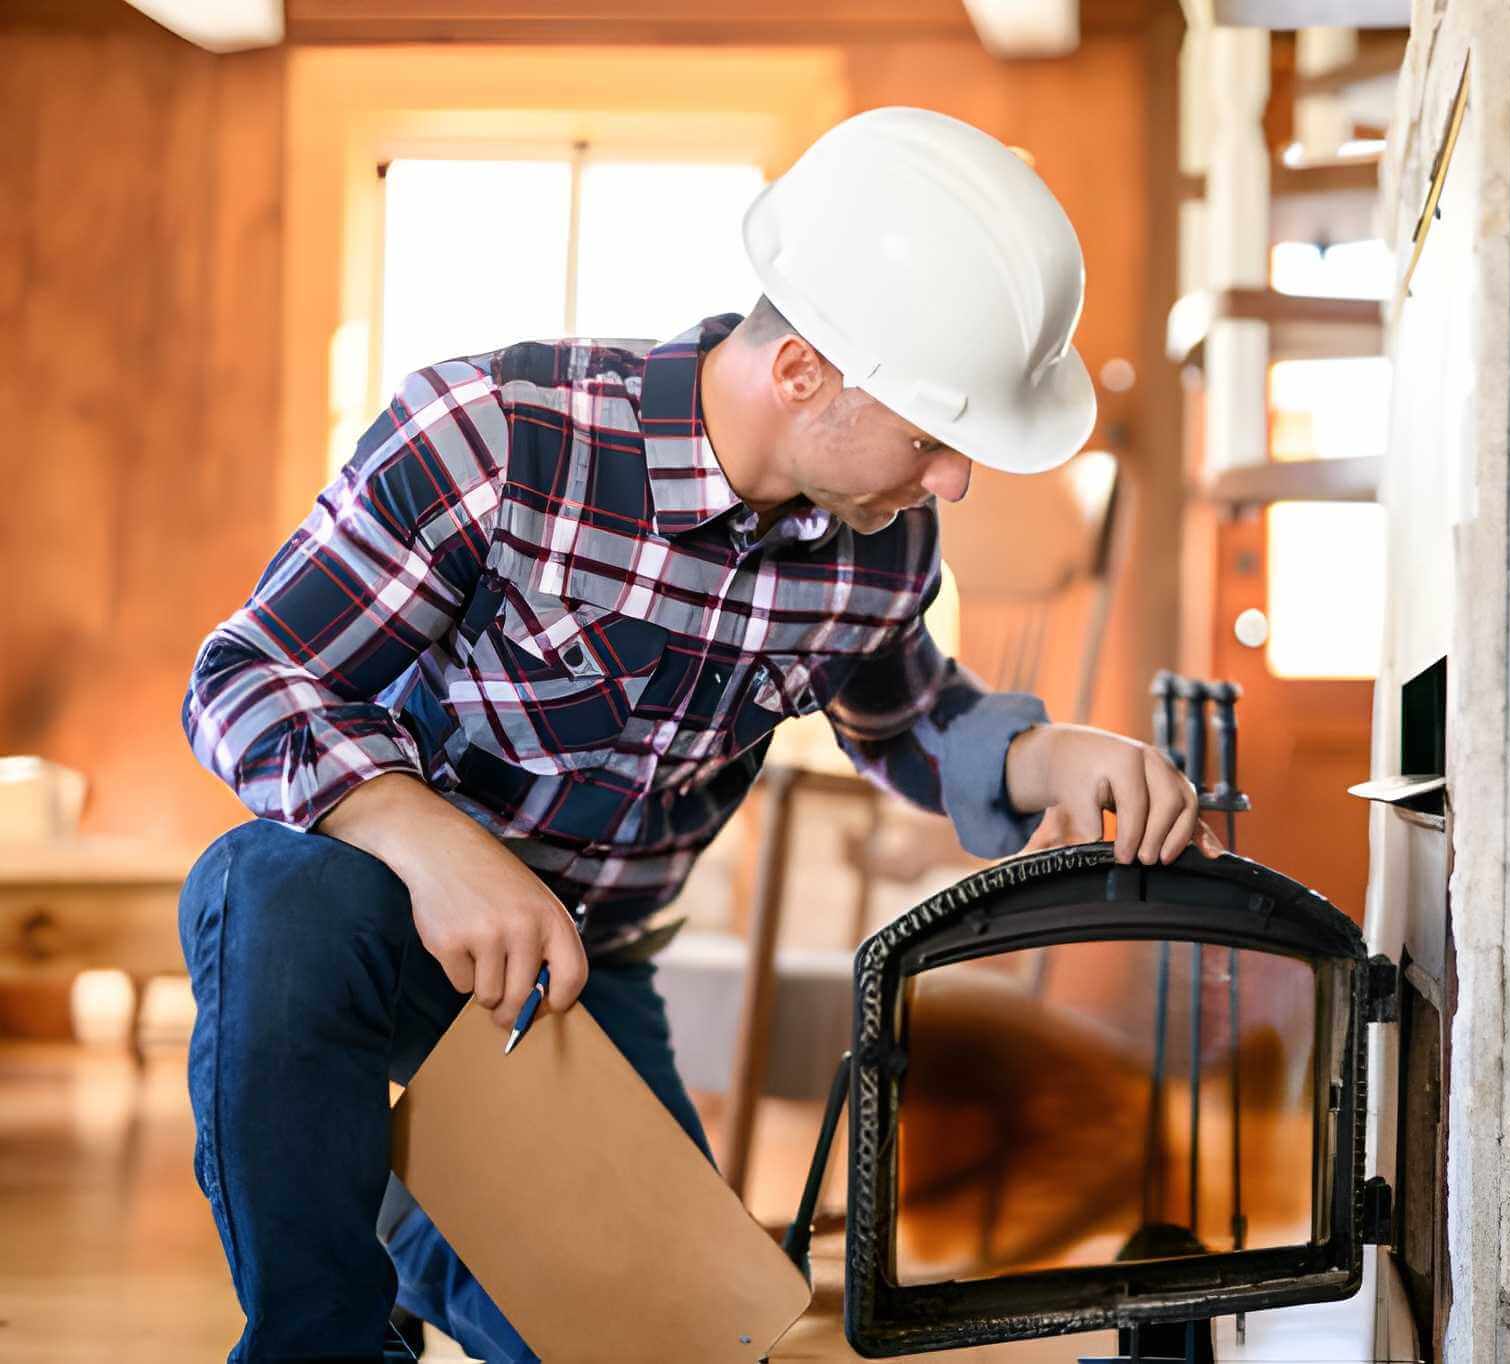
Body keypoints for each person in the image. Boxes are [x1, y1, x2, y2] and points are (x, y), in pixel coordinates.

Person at [176, 106, 1218, 1362]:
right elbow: (245, 674)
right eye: (933, 437)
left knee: (681, 1347)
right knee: (272, 885)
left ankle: (425, 1203)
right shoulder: (498, 435)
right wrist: (428, 838)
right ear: (800, 374)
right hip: (392, 925)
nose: (951, 482)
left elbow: (903, 718)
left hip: (575, 985)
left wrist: (1048, 755)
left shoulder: (878, 541)